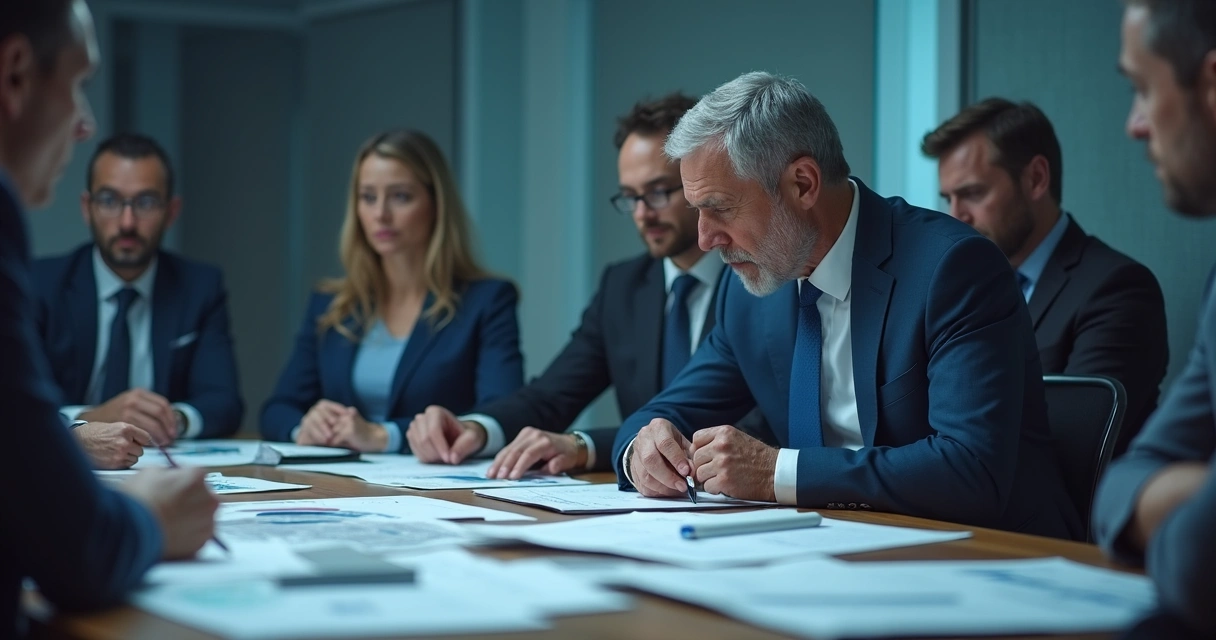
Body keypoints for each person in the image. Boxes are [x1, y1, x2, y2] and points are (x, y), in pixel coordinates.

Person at [613, 71, 1082, 540]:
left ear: (802, 184)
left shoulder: (952, 268)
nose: (704, 239)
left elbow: (970, 469)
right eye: (697, 211)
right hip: (824, 557)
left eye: (720, 208)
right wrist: (642, 451)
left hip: (997, 558)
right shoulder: (750, 293)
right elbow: (661, 413)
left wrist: (778, 472)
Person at [0, 1, 217, 635]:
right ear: (15, 74)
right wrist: (152, 517)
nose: (84, 122)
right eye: (76, 84)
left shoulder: (198, 284)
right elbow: (79, 551)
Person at [410, 93, 749, 477]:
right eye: (629, 197)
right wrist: (476, 427)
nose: (642, 214)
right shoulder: (623, 287)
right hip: (649, 508)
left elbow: (759, 422)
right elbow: (551, 396)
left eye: (658, 192)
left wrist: (584, 446)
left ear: (694, 184)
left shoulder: (755, 280)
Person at [923, 99, 1168, 455]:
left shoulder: (1118, 289)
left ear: (1036, 179)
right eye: (948, 198)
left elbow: (1070, 446)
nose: (956, 216)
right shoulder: (960, 293)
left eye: (973, 193)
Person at [261, 129, 524, 453]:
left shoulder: (487, 301)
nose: (380, 214)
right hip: (337, 485)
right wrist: (305, 426)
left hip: (437, 489)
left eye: (400, 196)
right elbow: (277, 410)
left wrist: (382, 436)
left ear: (436, 204)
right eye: (368, 197)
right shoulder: (330, 304)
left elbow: (500, 414)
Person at [1093, 1, 1216, 636]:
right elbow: (1119, 491)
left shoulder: (1115, 286)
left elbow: (1199, 562)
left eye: (1142, 88)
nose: (1135, 125)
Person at [31, 133, 244, 468]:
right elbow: (17, 402)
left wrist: (171, 418)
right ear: (87, 208)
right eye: (110, 200)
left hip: (158, 468)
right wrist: (89, 418)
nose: (127, 222)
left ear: (171, 212)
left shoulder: (199, 286)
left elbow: (224, 402)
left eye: (145, 203)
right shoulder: (39, 285)